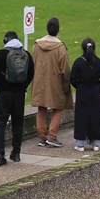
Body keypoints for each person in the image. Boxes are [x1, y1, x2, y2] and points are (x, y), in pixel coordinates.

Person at [0, 31, 35, 165]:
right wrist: (22, 87)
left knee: (0, 124)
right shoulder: (26, 55)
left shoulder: (0, 54)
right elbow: (31, 73)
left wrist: (0, 87)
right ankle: (16, 153)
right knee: (18, 124)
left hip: (3, 94)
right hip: (19, 94)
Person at [31, 17, 73, 147]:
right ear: (58, 30)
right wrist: (66, 86)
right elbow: (65, 70)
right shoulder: (60, 47)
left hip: (39, 81)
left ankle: (42, 137)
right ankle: (52, 135)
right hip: (55, 82)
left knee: (41, 108)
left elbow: (33, 63)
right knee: (58, 108)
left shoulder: (37, 46)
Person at [70, 39, 100, 152]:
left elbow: (73, 78)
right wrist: (98, 86)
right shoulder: (99, 62)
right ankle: (96, 142)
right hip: (95, 91)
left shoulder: (78, 62)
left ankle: (81, 143)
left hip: (82, 91)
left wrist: (79, 86)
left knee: (82, 117)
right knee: (96, 116)